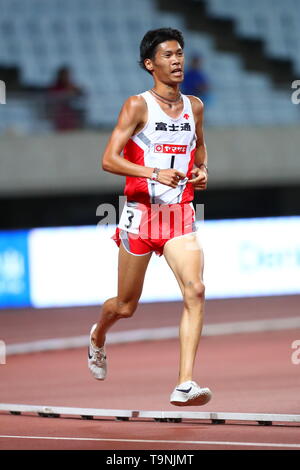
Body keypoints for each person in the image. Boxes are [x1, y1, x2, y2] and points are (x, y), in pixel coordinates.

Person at [88, 28, 212, 407]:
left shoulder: (195, 106)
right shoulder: (137, 105)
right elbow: (109, 160)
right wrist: (153, 173)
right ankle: (97, 336)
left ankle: (185, 382)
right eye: (168, 55)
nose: (177, 61)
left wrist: (203, 171)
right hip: (141, 216)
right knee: (125, 305)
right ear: (150, 64)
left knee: (196, 290)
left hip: (179, 214)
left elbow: (200, 149)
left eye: (180, 54)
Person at [48, 66, 85, 131]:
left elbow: (82, 94)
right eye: (64, 75)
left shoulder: (72, 86)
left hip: (70, 113)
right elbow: (53, 97)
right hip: (59, 113)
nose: (66, 77)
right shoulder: (55, 87)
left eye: (67, 75)